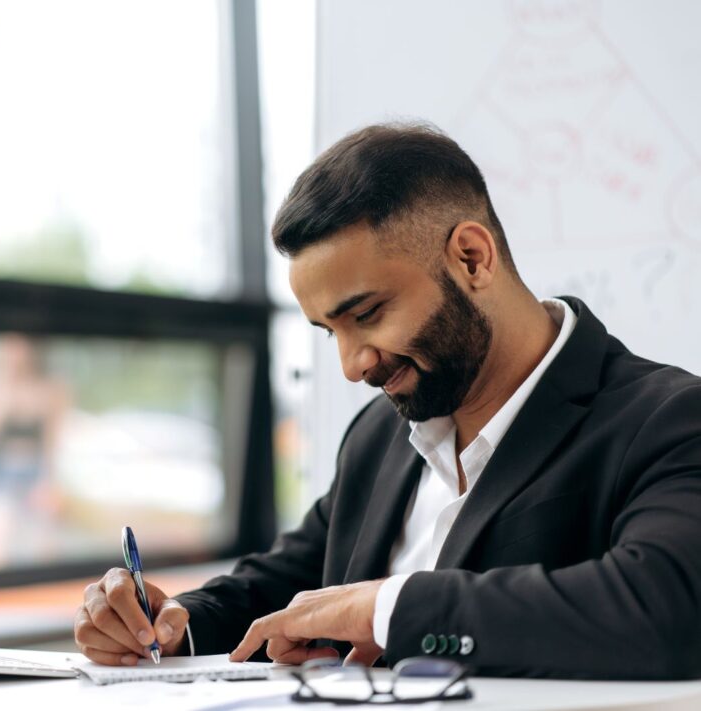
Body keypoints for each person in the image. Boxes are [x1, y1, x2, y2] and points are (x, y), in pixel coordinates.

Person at [72, 123, 701, 679]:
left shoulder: (668, 419)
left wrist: (386, 609)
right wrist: (177, 623)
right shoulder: (380, 436)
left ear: (472, 258)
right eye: (330, 333)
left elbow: (669, 607)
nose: (353, 366)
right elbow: (292, 581)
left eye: (367, 314)